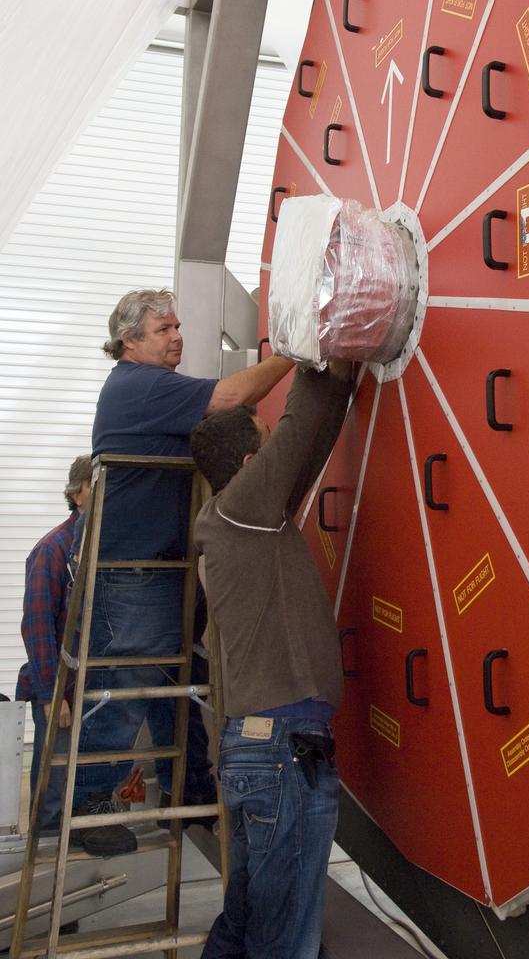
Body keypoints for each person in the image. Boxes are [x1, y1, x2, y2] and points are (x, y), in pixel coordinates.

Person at [72, 288, 294, 856]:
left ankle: (189, 792)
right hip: (135, 572)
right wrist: (294, 354)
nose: (177, 336)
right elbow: (231, 396)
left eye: (177, 326)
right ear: (130, 341)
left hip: (157, 567)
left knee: (169, 689)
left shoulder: (148, 389)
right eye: (163, 329)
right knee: (125, 685)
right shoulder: (141, 385)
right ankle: (90, 806)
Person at [189, 362, 352, 959]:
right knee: (282, 937)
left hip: (261, 748)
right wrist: (315, 346)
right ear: (250, 465)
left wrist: (341, 376)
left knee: (249, 918)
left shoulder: (242, 520)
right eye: (263, 444)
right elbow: (298, 426)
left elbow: (307, 446)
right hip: (282, 751)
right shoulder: (241, 508)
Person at [16, 455, 92, 832]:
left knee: (85, 788)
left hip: (93, 691)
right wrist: (52, 693)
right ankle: (46, 850)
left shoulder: (104, 547)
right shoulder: (53, 550)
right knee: (53, 793)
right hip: (61, 690)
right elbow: (37, 625)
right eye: (97, 487)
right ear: (78, 495)